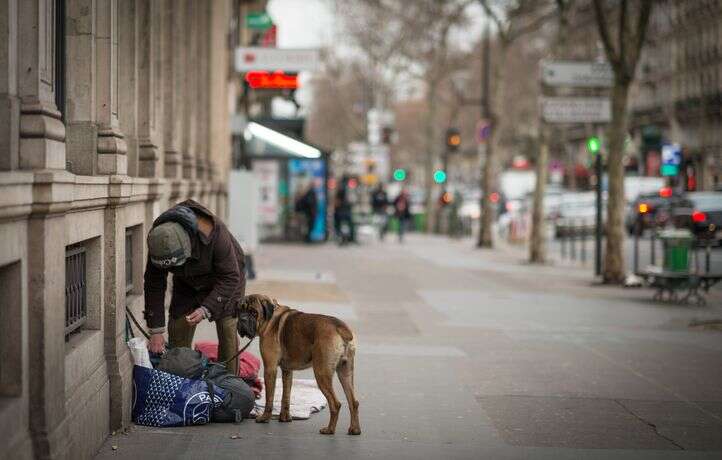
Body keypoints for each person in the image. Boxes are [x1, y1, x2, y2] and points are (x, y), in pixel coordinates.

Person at [143, 199, 245, 375]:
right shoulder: (158, 240)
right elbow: (154, 284)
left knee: (227, 328)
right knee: (178, 327)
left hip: (225, 278)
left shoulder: (215, 234)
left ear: (188, 242)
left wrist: (206, 309)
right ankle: (180, 382)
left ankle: (228, 385)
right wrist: (156, 330)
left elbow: (230, 277)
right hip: (187, 283)